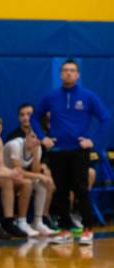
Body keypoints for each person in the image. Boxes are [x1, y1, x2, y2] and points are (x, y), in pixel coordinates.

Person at [31, 58, 112, 245]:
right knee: (61, 192)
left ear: (78, 74)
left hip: (78, 152)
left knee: (81, 189)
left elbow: (106, 119)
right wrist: (43, 138)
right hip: (58, 151)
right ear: (60, 74)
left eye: (72, 70)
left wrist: (93, 141)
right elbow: (35, 116)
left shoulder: (88, 96)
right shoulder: (51, 96)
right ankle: (65, 229)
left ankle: (87, 229)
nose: (68, 73)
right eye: (65, 70)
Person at [3, 131, 56, 235]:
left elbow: (35, 171)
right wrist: (40, 176)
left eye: (38, 138)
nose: (35, 140)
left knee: (42, 184)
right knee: (28, 183)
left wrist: (36, 154)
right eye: (32, 136)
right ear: (26, 136)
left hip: (16, 177)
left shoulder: (38, 148)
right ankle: (21, 222)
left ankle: (38, 221)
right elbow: (18, 170)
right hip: (3, 175)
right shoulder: (15, 145)